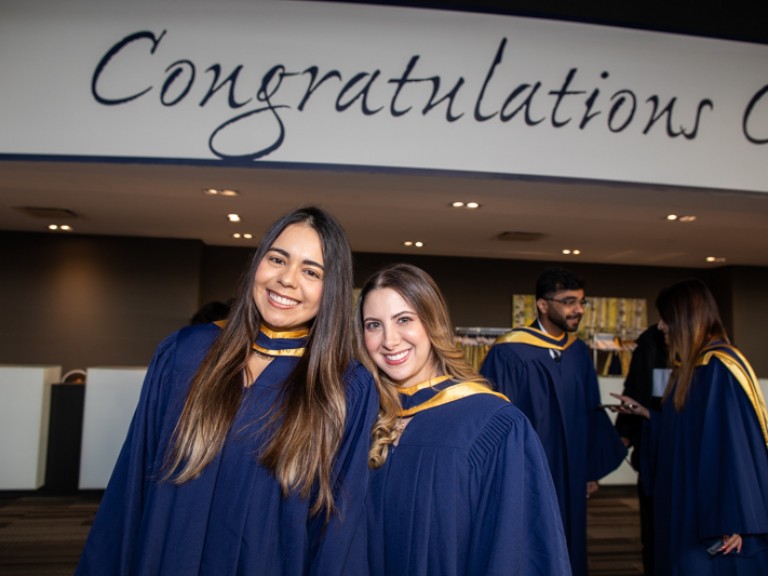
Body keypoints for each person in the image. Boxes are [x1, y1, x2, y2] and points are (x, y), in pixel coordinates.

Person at [76, 206, 379, 575]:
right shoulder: (185, 353)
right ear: (257, 263)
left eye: (311, 271)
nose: (287, 279)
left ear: (331, 289)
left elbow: (338, 530)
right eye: (277, 259)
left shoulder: (344, 386)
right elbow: (131, 485)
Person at [354, 263, 571, 575]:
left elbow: (515, 550)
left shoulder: (492, 423)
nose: (389, 340)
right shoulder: (360, 418)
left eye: (404, 320)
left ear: (433, 323)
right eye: (373, 325)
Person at [612, 279, 768, 576]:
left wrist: (735, 519)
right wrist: (649, 416)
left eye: (666, 319)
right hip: (693, 503)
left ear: (684, 319)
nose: (661, 327)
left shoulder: (721, 367)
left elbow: (735, 448)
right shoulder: (695, 368)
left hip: (716, 519)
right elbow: (690, 436)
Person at [480, 267, 626, 576]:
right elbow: (493, 415)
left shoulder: (578, 352)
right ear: (542, 305)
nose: (578, 310)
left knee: (570, 535)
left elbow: (591, 410)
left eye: (582, 302)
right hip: (530, 466)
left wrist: (589, 468)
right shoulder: (510, 351)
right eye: (569, 301)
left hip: (572, 468)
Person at [614, 323, 668, 576]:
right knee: (652, 532)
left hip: (679, 456)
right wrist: (622, 436)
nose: (662, 326)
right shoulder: (649, 342)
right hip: (652, 454)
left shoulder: (709, 358)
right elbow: (635, 386)